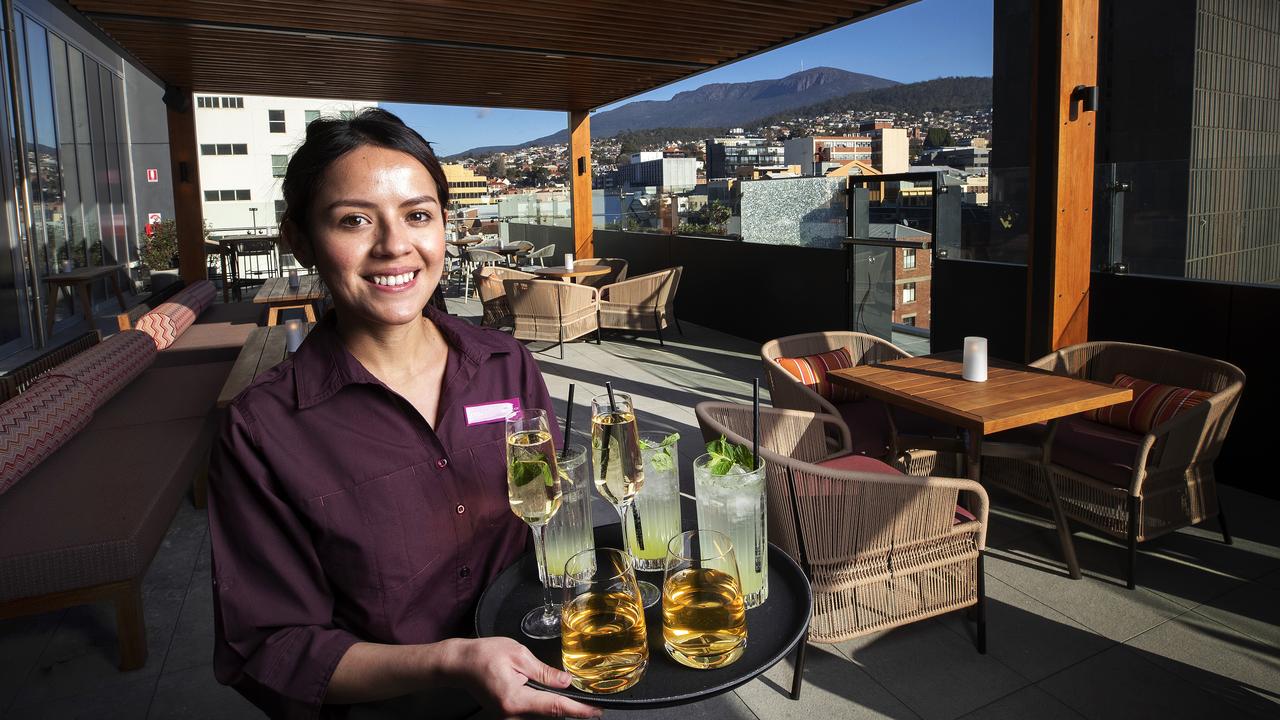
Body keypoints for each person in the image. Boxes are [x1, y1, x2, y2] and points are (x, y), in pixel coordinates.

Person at [207, 108, 599, 719]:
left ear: (445, 225)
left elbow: (544, 515)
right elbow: (270, 645)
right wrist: (451, 662)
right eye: (355, 220)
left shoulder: (506, 365)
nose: (394, 245)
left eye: (418, 215)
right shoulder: (264, 430)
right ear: (302, 241)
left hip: (539, 690)